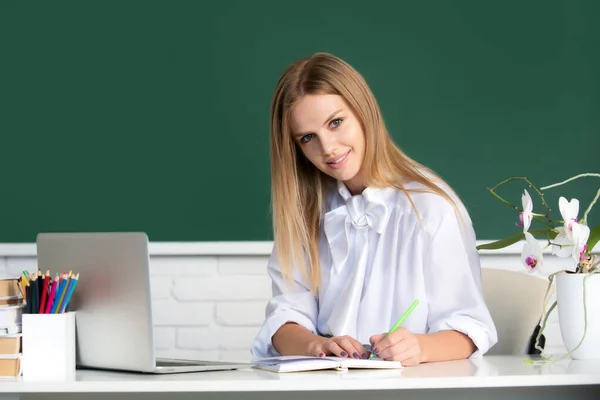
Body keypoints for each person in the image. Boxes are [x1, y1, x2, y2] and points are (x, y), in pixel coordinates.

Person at [251, 52, 497, 366]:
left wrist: (419, 348)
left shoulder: (430, 208)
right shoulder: (304, 212)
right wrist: (316, 345)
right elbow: (283, 319)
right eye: (308, 138)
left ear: (363, 110)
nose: (328, 149)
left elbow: (469, 327)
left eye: (336, 123)